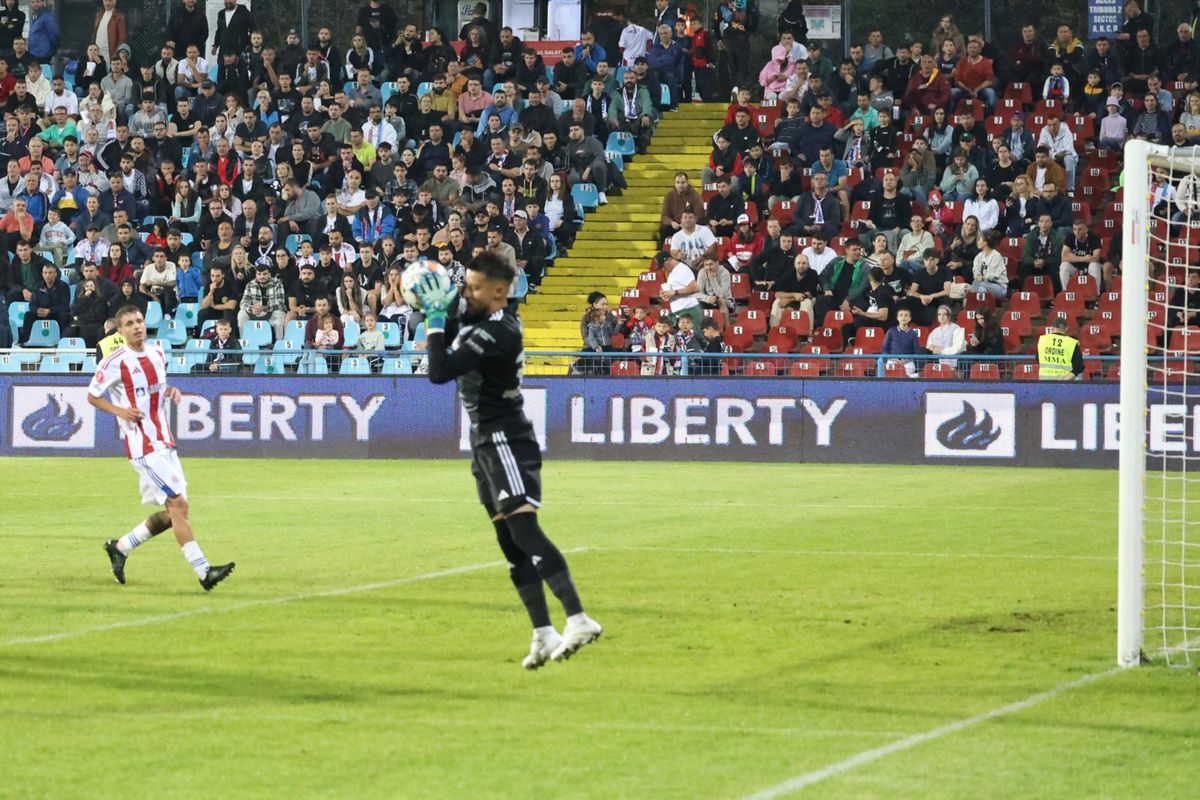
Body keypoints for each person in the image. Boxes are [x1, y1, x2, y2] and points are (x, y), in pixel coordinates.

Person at [411, 252, 602, 669]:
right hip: (485, 441)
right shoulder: (483, 323)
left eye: (476, 287)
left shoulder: (499, 330)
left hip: (505, 438)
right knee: (509, 542)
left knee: (525, 531)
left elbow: (439, 370)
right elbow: (451, 323)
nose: (468, 292)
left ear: (500, 291)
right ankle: (543, 631)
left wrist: (434, 318)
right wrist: (432, 303)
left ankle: (578, 617)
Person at [93, 305, 235, 590]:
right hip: (143, 446)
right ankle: (204, 571)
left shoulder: (157, 352)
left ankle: (120, 547)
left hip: (165, 441)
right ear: (120, 331)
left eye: (140, 321)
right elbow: (93, 396)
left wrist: (170, 390)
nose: (137, 326)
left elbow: (157, 387)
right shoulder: (114, 361)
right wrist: (120, 410)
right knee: (179, 506)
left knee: (175, 514)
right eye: (130, 323)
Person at [1037, 313, 1084, 380]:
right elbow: (1079, 366)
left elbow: (1038, 359)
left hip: (1045, 383)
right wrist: (1065, 380)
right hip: (1064, 386)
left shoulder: (1042, 340)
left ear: (1052, 327)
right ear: (1066, 328)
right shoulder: (1071, 343)